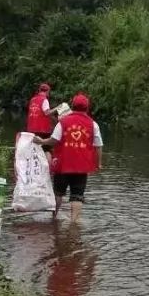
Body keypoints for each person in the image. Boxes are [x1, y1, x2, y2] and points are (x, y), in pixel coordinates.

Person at [33, 93, 102, 223]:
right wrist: (98, 164)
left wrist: (41, 141)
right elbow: (98, 146)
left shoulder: (63, 122)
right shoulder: (93, 125)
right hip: (82, 167)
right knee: (77, 196)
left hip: (62, 165)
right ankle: (74, 223)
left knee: (58, 193)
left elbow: (54, 140)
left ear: (73, 106)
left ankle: (53, 218)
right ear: (87, 108)